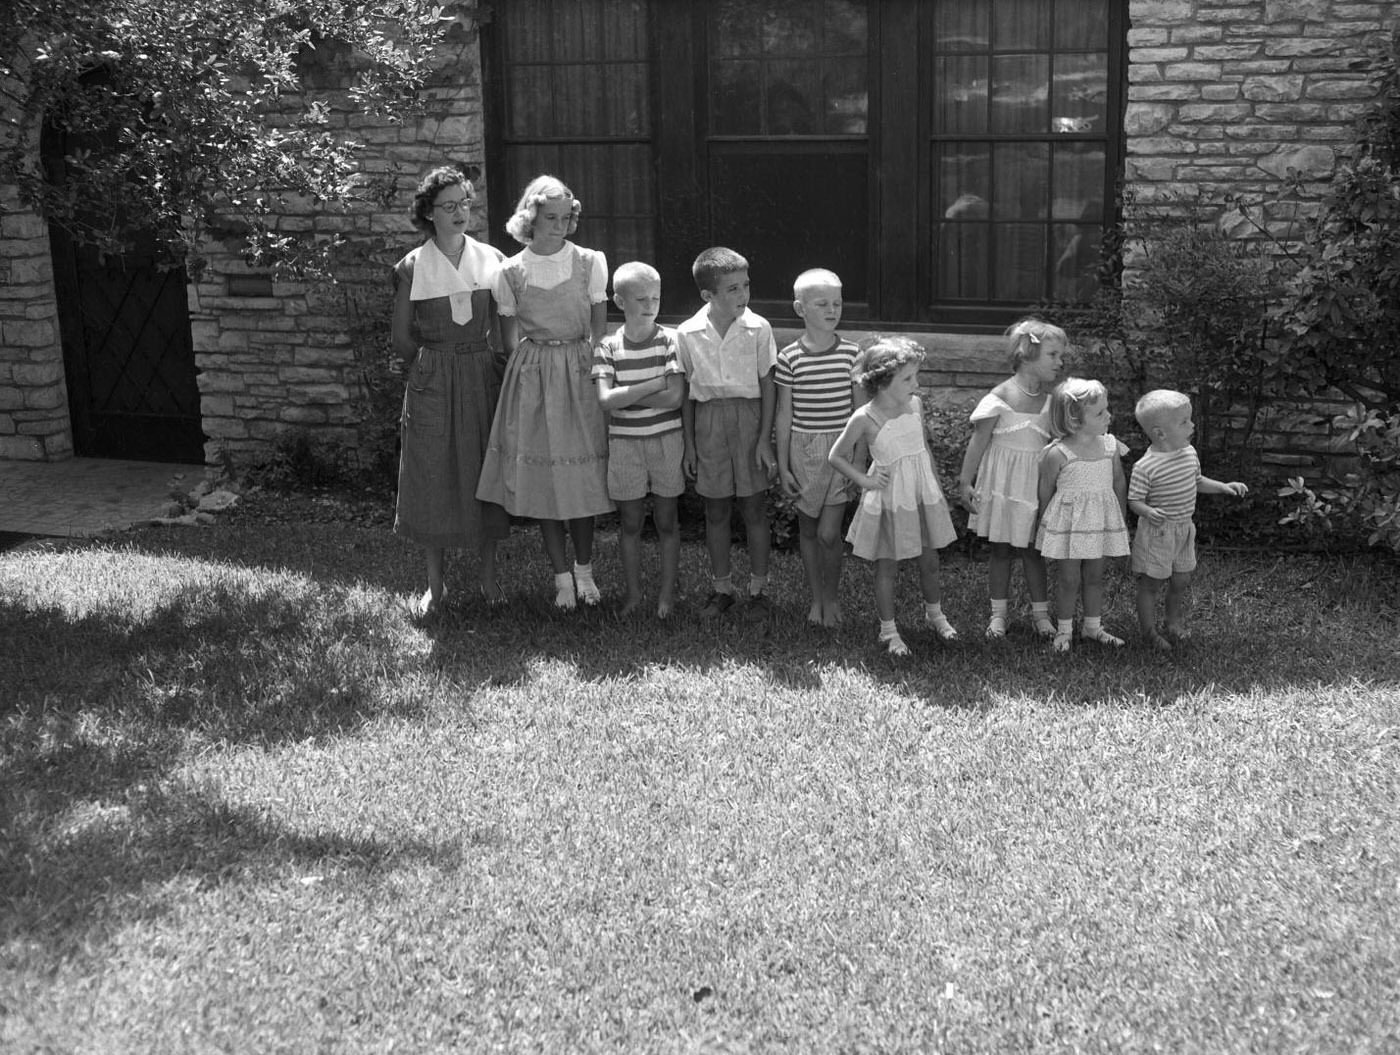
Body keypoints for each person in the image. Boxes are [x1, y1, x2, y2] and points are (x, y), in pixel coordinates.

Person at [476, 174, 612, 610]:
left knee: (580, 477)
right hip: (533, 375)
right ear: (530, 218)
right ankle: (561, 577)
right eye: (549, 217)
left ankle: (586, 570)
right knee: (546, 480)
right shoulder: (510, 271)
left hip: (578, 370)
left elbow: (598, 324)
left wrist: (590, 361)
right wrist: (529, 374)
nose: (559, 224)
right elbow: (507, 337)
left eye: (565, 216)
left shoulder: (590, 262)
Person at [390, 165, 509, 619]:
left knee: (483, 471)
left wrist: (490, 365)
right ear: (428, 213)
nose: (460, 212)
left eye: (465, 202)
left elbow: (501, 328)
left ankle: (488, 578)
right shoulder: (413, 266)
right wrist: (431, 367)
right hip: (434, 379)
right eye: (449, 205)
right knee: (432, 473)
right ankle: (434, 587)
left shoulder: (492, 259)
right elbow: (401, 338)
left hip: (480, 375)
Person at [828, 337, 960, 657]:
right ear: (883, 382)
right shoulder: (865, 417)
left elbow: (923, 447)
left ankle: (936, 615)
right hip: (889, 497)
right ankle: (888, 630)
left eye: (915, 376)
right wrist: (865, 480)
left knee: (930, 559)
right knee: (887, 565)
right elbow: (836, 456)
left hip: (920, 492)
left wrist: (936, 488)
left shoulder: (914, 404)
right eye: (908, 378)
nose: (916, 384)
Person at [676, 247, 778, 622]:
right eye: (733, 289)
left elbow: (768, 384)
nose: (743, 295)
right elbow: (686, 391)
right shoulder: (687, 333)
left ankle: (759, 589)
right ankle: (721, 589)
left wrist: (764, 438)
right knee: (715, 509)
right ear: (708, 295)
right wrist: (689, 444)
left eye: (746, 285)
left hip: (749, 420)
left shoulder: (758, 327)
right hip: (709, 422)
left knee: (753, 507)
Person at [958, 318, 1065, 639]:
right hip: (1003, 485)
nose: (1060, 362)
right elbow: (978, 441)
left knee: (1034, 550)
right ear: (1028, 354)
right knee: (1002, 550)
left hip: (1035, 486)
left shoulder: (1051, 402)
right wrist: (965, 482)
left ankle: (1041, 615)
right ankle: (998, 615)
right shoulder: (1000, 396)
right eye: (1053, 355)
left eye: (1061, 356)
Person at [591, 262, 686, 618]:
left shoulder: (670, 340)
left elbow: (675, 398)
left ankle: (666, 596)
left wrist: (624, 394)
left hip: (666, 441)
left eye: (656, 298)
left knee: (667, 522)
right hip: (625, 446)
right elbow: (604, 400)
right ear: (618, 300)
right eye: (641, 298)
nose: (650, 305)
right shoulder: (607, 347)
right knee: (630, 524)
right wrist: (650, 386)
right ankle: (633, 596)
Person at [1129, 389, 1249, 650]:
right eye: (1184, 421)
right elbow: (1134, 500)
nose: (1192, 425)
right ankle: (1148, 632)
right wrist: (1147, 511)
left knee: (1181, 579)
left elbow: (1196, 481)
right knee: (1151, 583)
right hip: (1158, 533)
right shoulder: (1145, 466)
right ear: (1160, 433)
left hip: (1184, 529)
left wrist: (1222, 486)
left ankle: (1172, 623)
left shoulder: (1189, 452)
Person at [775, 268, 862, 628]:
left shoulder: (852, 354)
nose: (832, 309)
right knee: (808, 530)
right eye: (822, 303)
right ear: (800, 308)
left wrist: (859, 460)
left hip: (840, 451)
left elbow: (861, 413)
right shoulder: (789, 357)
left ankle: (832, 597)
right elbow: (783, 414)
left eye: (837, 303)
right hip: (803, 449)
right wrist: (783, 466)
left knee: (829, 533)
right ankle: (816, 599)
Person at [1036, 377, 1131, 652]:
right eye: (1100, 412)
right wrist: (1045, 523)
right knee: (1068, 578)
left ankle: (1092, 627)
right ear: (1074, 420)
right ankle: (1064, 630)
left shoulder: (1110, 446)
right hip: (1069, 525)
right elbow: (1046, 490)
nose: (1109, 415)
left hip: (1099, 522)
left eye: (1107, 408)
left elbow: (1118, 482)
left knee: (1095, 576)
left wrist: (1120, 517)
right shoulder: (1058, 453)